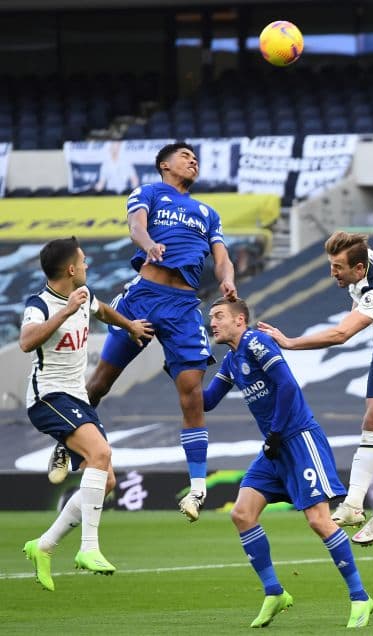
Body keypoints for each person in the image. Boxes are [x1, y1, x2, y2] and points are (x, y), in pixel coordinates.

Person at [61, 142, 237, 524]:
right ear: (164, 165)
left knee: (192, 393)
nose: (193, 160)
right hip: (142, 298)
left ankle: (197, 488)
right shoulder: (149, 192)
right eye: (185, 156)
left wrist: (227, 279)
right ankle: (66, 437)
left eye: (195, 157)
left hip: (184, 307)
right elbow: (136, 226)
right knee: (100, 383)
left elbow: (221, 258)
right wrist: (149, 244)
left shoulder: (208, 213)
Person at [257, 231, 373, 546]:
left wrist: (290, 342)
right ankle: (354, 505)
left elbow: (341, 335)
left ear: (358, 268)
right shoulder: (360, 266)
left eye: (338, 267)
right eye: (331, 265)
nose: (332, 273)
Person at [203, 297, 373, 628]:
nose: (212, 322)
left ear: (239, 320)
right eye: (211, 317)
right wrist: (183, 370)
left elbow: (287, 385)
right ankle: (274, 592)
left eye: (219, 316)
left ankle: (360, 597)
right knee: (242, 514)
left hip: (297, 438)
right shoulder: (231, 360)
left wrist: (277, 432)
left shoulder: (256, 341)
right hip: (274, 446)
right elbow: (207, 401)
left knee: (319, 520)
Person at [20, 237, 152, 590]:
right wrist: (65, 312)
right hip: (48, 397)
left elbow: (102, 310)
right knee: (101, 453)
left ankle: (43, 545)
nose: (87, 265)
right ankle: (88, 548)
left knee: (106, 481)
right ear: (70, 269)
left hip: (76, 398)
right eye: (82, 261)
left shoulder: (84, 295)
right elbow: (26, 341)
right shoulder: (39, 304)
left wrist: (130, 326)